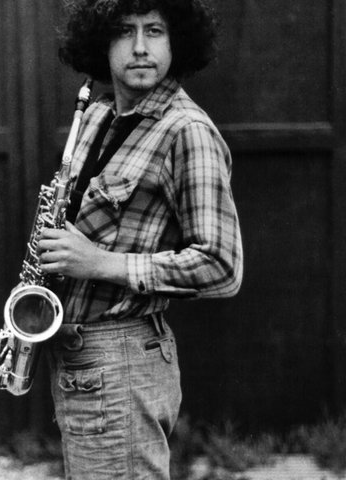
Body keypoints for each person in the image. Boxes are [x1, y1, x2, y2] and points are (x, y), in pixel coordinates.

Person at [38, 0, 243, 478]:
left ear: (177, 41)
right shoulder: (98, 114)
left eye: (154, 31)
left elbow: (222, 266)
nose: (139, 48)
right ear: (100, 42)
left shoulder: (187, 131)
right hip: (79, 355)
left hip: (122, 359)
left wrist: (101, 263)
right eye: (123, 31)